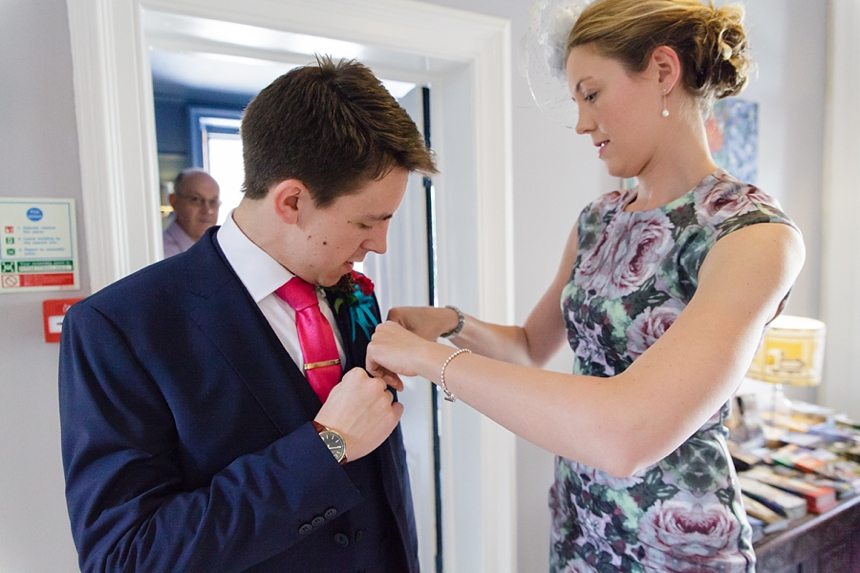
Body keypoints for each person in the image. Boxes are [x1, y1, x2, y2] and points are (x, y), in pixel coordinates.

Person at [366, 1, 804, 571]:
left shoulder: (750, 237)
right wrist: (451, 324)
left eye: (591, 94)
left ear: (663, 72)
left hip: (674, 546)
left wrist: (430, 362)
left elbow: (626, 434)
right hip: (581, 525)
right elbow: (529, 347)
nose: (581, 122)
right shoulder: (598, 220)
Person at [59, 56, 436, 572]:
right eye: (368, 221)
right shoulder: (118, 329)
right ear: (292, 201)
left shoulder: (352, 292)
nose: (381, 244)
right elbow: (125, 558)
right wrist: (326, 446)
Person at [162, 168, 221, 257]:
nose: (207, 210)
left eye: (213, 201)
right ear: (173, 201)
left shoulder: (219, 251)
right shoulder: (161, 253)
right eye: (195, 199)